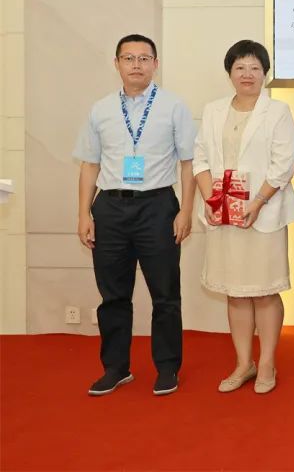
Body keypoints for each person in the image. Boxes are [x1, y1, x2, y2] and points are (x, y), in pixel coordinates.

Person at [74, 34, 195, 396]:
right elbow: (89, 164)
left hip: (157, 207)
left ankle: (167, 368)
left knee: (165, 294)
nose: (136, 65)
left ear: (155, 64)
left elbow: (189, 163)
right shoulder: (101, 109)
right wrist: (83, 214)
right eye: (129, 58)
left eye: (144, 58)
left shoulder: (174, 106)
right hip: (109, 208)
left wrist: (186, 210)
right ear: (117, 64)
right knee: (112, 295)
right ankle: (115, 368)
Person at [193, 40, 294, 395]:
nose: (247, 74)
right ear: (230, 73)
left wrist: (257, 203)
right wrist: (211, 199)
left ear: (265, 73)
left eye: (255, 67)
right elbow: (200, 158)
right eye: (240, 67)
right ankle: (244, 363)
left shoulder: (278, 111)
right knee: (235, 292)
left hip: (263, 215)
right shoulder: (213, 110)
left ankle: (267, 362)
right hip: (224, 216)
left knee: (265, 291)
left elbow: (283, 165)